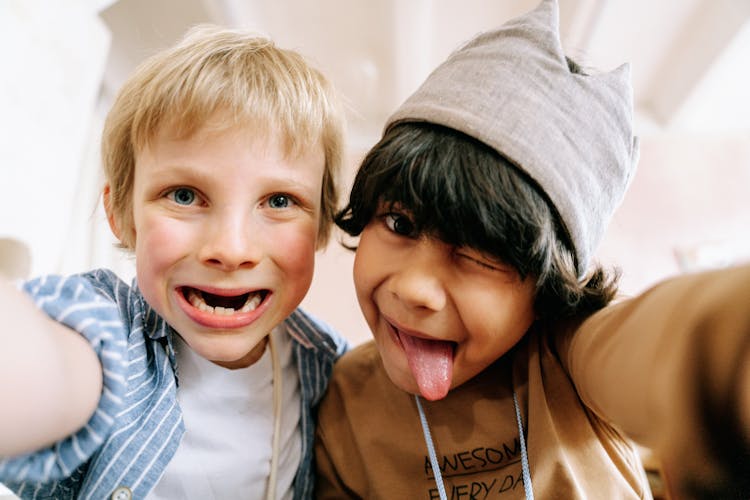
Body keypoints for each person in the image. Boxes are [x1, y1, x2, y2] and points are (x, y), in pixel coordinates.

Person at [314, 1, 749, 499]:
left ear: (545, 289)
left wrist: (729, 349)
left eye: (480, 253)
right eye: (398, 223)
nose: (415, 289)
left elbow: (672, 346)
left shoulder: (571, 353)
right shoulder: (341, 398)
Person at [0, 24, 348, 499]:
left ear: (322, 227)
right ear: (122, 216)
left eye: (280, 201)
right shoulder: (110, 339)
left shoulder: (331, 367)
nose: (231, 249)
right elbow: (43, 365)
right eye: (185, 195)